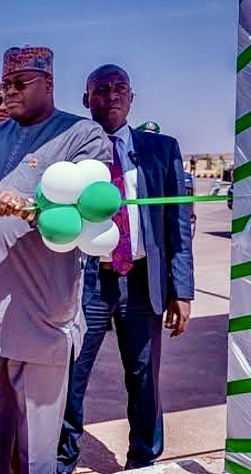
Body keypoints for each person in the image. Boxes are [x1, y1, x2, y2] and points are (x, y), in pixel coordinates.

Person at [0, 46, 113, 473]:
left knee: (39, 447)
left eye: (19, 83)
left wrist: (30, 208)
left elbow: (92, 208)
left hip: (43, 311)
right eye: (4, 85)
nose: (8, 92)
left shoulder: (82, 135)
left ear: (48, 83)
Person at [57, 65, 194, 473]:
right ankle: (63, 459)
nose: (112, 95)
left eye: (120, 88)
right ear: (86, 100)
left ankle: (144, 460)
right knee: (71, 377)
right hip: (89, 283)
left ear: (132, 97)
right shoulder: (71, 151)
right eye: (101, 89)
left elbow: (177, 224)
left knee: (145, 377)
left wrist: (181, 290)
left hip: (140, 281)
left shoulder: (161, 150)